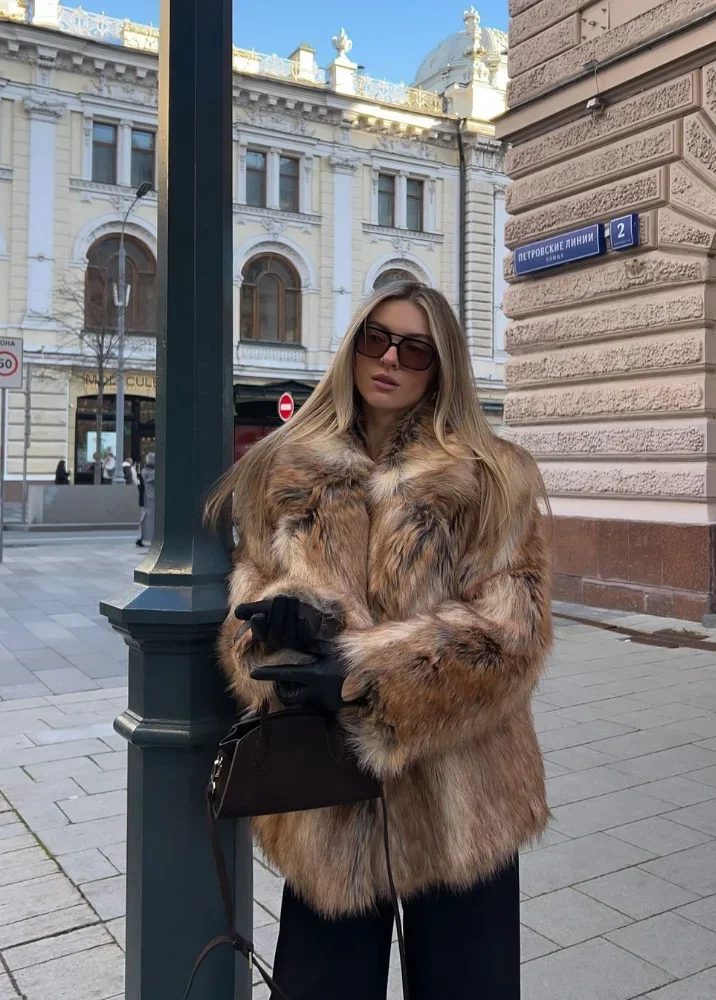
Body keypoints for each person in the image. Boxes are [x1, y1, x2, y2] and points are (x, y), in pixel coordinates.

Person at [207, 281, 551, 1000]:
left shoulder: (493, 476)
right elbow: (250, 596)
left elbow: (512, 636)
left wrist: (368, 678)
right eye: (377, 338)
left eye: (415, 348)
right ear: (354, 346)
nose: (390, 358)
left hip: (464, 797)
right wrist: (280, 621)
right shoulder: (285, 470)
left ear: (442, 366)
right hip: (328, 798)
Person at [138, 453, 155, 547]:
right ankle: (148, 537)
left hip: (144, 498)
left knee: (143, 518)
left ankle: (141, 536)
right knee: (151, 519)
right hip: (151, 499)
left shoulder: (143, 471)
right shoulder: (153, 473)